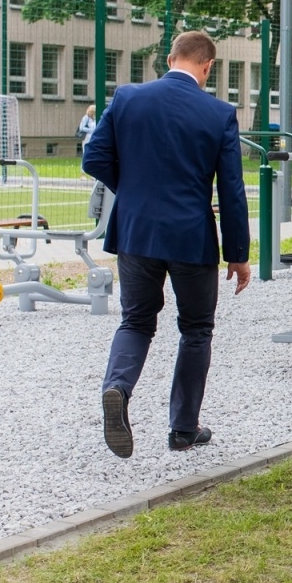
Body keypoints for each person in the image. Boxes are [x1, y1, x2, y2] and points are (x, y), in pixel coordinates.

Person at [84, 30, 251, 459]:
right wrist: (238, 255)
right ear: (208, 66)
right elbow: (231, 190)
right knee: (196, 329)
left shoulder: (127, 98)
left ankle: (117, 387)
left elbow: (94, 157)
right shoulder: (218, 114)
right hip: (191, 237)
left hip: (136, 233)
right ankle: (183, 428)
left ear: (169, 57)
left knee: (136, 320)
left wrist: (135, 192)